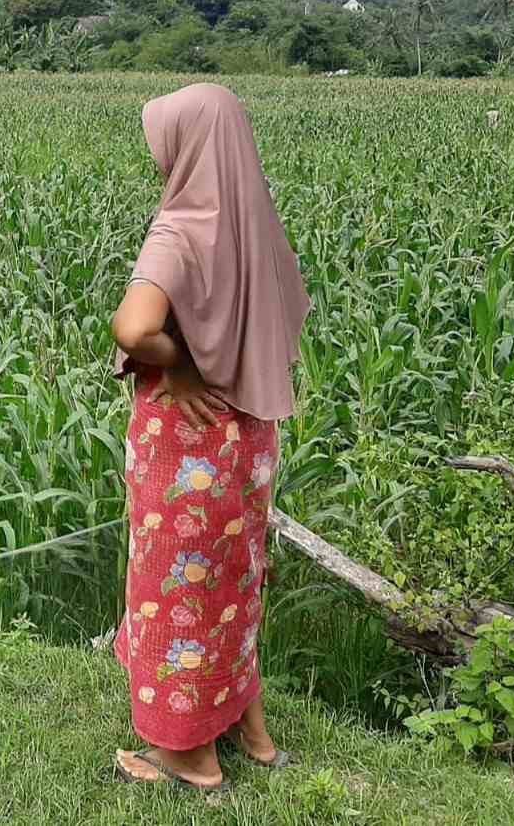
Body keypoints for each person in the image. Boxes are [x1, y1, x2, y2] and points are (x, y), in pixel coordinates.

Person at [108, 83, 311, 791]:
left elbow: (133, 327)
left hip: (187, 454)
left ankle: (188, 758)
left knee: (176, 598)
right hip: (249, 449)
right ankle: (253, 737)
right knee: (234, 588)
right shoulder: (255, 227)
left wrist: (184, 362)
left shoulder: (179, 227)